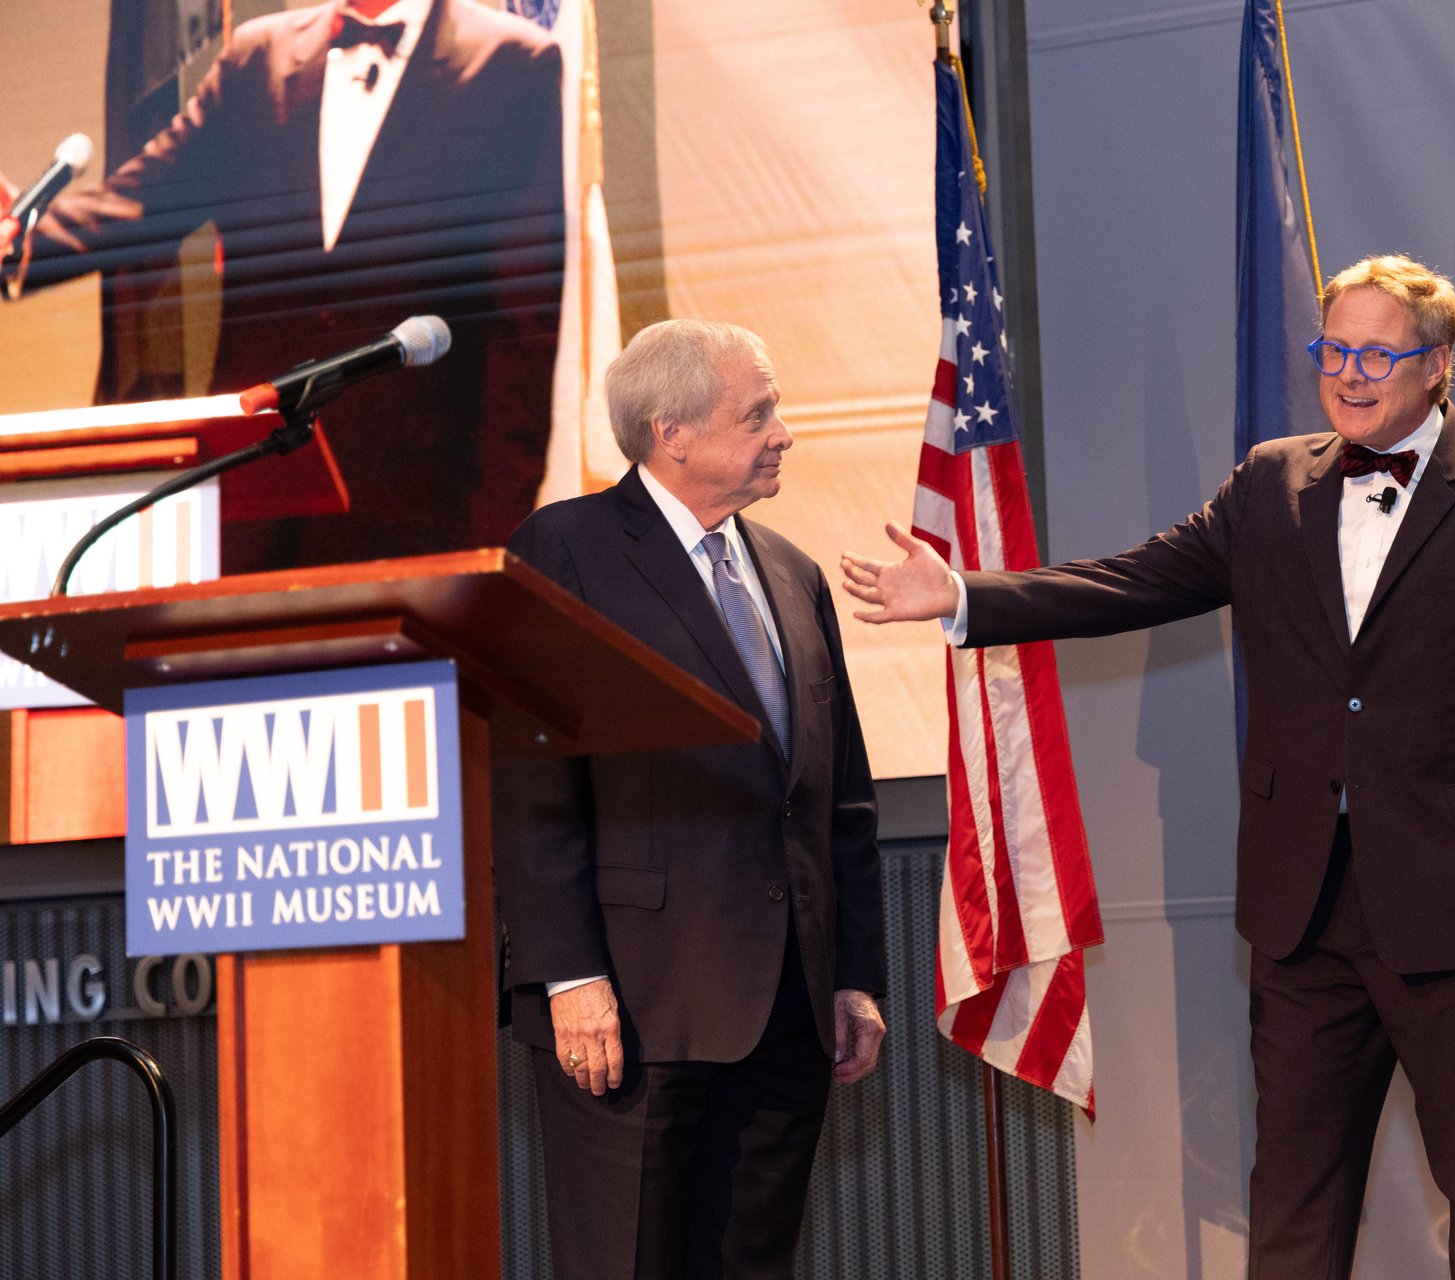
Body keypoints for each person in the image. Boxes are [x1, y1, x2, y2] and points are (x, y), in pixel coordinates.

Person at [842, 255, 1455, 1279]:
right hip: (1302, 914)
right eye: (1332, 349)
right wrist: (963, 598)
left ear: (1436, 366)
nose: (1347, 373)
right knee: (1293, 1206)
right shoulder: (1271, 482)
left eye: (1375, 354)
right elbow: (1129, 582)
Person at [494, 319, 887, 1280]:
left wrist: (851, 975)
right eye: (759, 415)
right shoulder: (566, 548)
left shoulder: (792, 574)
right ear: (672, 433)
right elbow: (531, 785)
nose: (784, 432)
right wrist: (568, 975)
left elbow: (840, 798)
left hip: (788, 1017)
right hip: (633, 1008)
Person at [7, 0, 564, 571]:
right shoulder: (257, 56)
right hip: (253, 493)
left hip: (418, 513)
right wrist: (20, 240)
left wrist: (500, 540)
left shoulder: (514, 61)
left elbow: (521, 325)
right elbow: (145, 200)